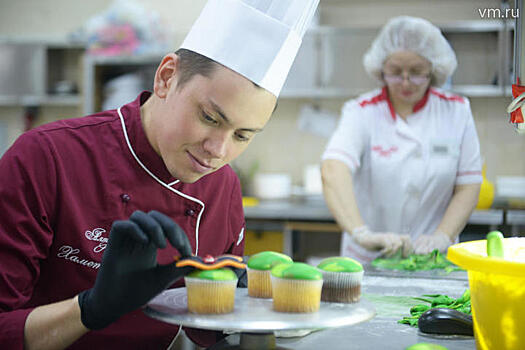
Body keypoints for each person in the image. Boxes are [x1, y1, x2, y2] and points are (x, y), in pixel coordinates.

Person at [0, 0, 319, 349]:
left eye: (242, 135)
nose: (218, 151)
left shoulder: (223, 186)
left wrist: (241, 309)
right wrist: (90, 309)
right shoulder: (45, 158)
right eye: (210, 118)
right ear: (167, 77)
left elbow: (204, 331)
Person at [321, 16, 482, 264]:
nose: (405, 82)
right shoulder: (361, 111)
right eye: (395, 72)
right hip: (370, 258)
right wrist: (361, 233)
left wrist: (443, 235)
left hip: (432, 259)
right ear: (381, 69)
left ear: (434, 71)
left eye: (417, 73)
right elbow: (333, 169)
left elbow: (469, 184)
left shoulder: (456, 111)